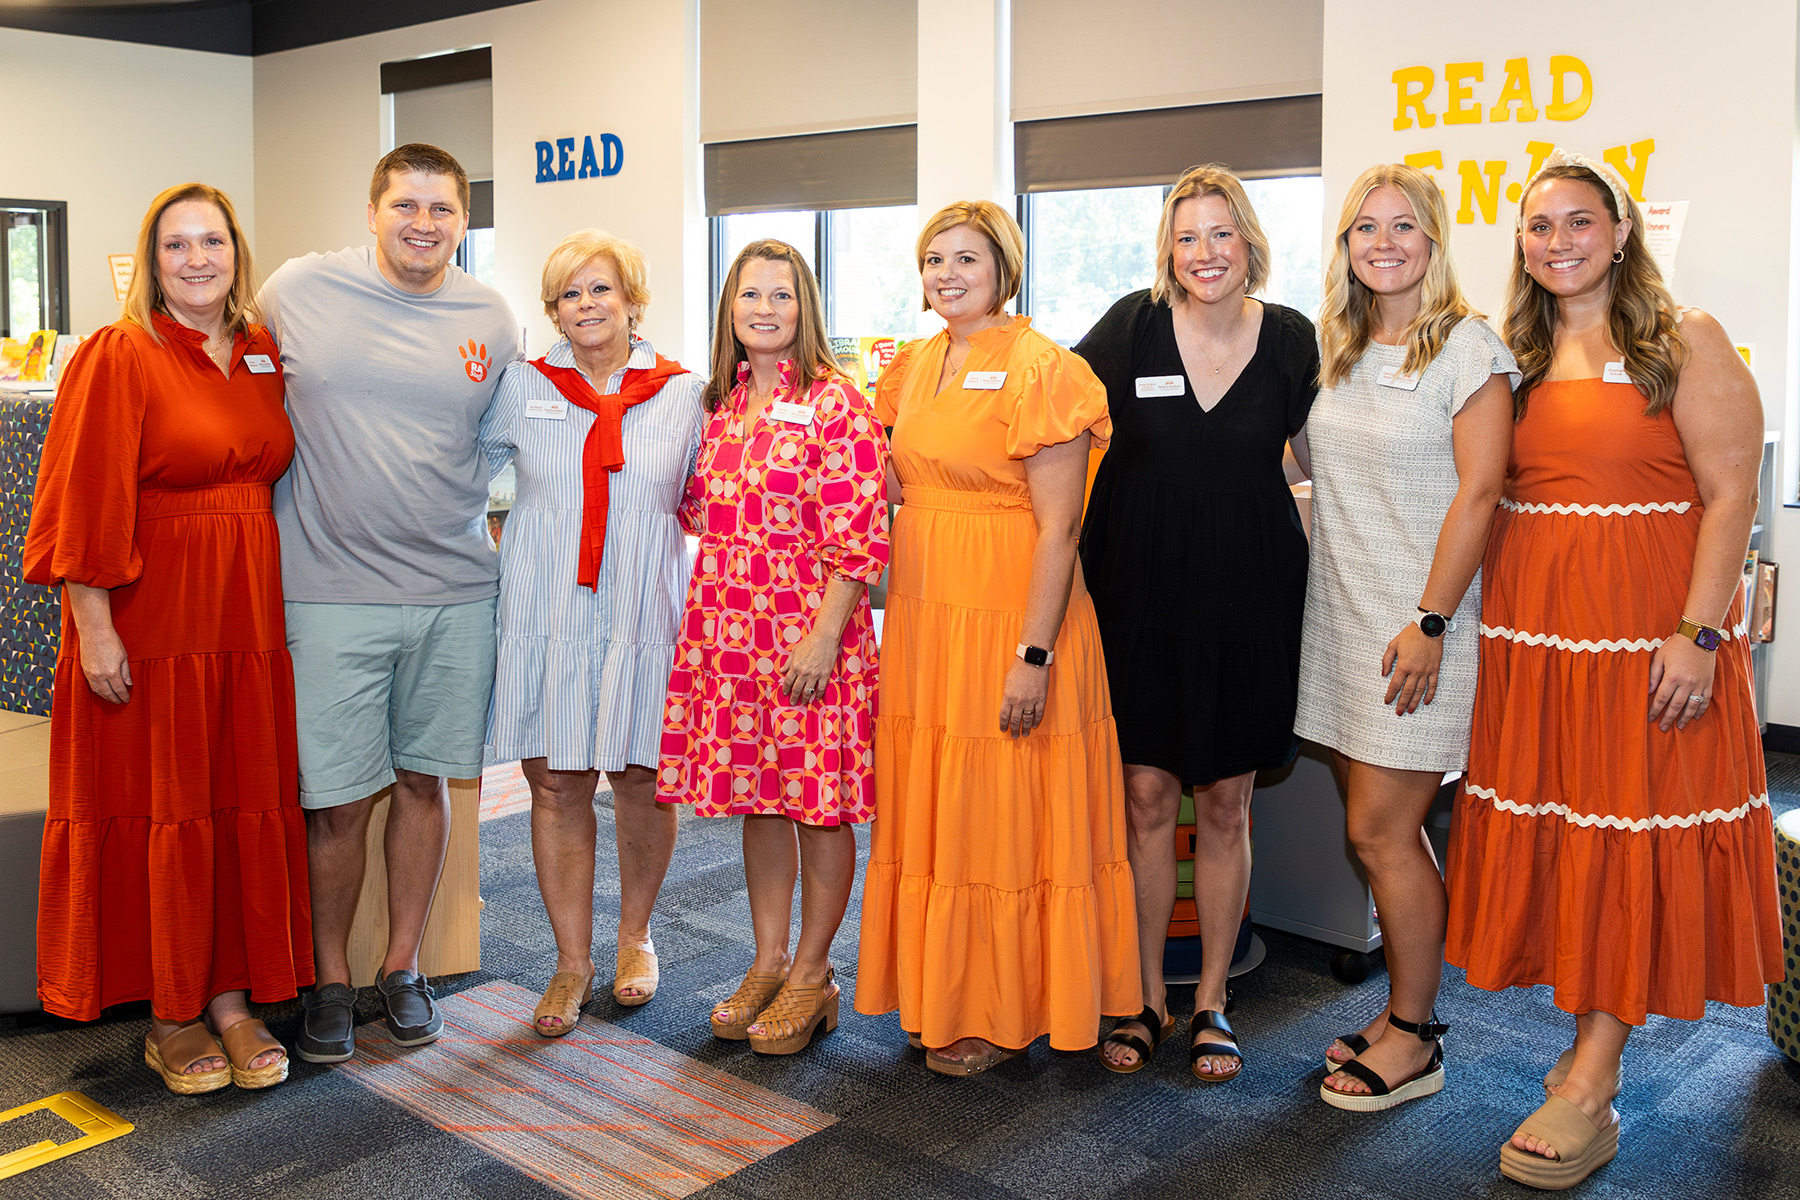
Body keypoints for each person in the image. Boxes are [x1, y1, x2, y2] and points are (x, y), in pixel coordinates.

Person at [1446, 149, 1782, 1188]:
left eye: (1579, 222)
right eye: (1539, 226)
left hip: (1649, 642)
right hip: (1540, 643)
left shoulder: (1686, 341)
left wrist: (1700, 632)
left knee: (1630, 832)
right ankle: (1582, 1041)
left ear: (1622, 230)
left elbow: (1732, 497)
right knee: (1574, 835)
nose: (1558, 243)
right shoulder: (1511, 352)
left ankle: (1595, 1072)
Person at [25, 183, 309, 1093]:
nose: (197, 260)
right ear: (151, 262)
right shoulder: (121, 353)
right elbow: (79, 500)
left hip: (247, 618)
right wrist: (95, 630)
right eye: (176, 245)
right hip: (151, 620)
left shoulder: (261, 352)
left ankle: (231, 998)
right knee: (168, 805)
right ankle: (172, 1013)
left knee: (234, 796)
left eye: (212, 242)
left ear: (237, 253)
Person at [855, 201, 1140, 1076]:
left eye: (966, 258)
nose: (947, 274)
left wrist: (1034, 655)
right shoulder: (913, 365)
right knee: (944, 802)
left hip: (1014, 618)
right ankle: (943, 989)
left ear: (1004, 268)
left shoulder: (1042, 369)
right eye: (934, 259)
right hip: (929, 620)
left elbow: (1059, 531)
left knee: (1003, 811)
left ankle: (997, 1008)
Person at [257, 143, 521, 1064]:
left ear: (463, 218)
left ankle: (401, 968)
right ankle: (330, 980)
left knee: (426, 781)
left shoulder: (490, 312)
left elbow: (496, 447)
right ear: (372, 209)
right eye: (406, 205)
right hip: (328, 592)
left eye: (442, 209)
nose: (422, 223)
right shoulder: (297, 289)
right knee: (334, 802)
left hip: (454, 593)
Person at [1078, 165, 1318, 1082]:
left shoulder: (1294, 339)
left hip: (1253, 598)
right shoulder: (1130, 326)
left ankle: (1212, 1000)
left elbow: (1325, 460)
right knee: (1143, 798)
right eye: (1188, 236)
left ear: (1249, 243)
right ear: (1166, 249)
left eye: (1222, 234)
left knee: (1225, 801)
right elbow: (1048, 414)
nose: (1205, 252)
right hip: (1139, 594)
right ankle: (1146, 998)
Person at [1294, 164, 1516, 1111]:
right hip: (1341, 619)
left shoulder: (1469, 347)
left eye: (1404, 227)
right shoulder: (1337, 346)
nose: (1383, 244)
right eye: (1364, 229)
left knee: (1381, 833)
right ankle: (1398, 1009)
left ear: (1434, 240)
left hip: (1420, 624)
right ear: (1345, 246)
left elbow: (1481, 492)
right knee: (1382, 834)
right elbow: (1307, 462)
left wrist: (1430, 621)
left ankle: (1419, 1035)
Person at [658, 240, 888, 1055]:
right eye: (749, 294)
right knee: (760, 800)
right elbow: (694, 514)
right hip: (729, 638)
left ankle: (815, 974)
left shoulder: (836, 404)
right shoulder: (720, 407)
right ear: (730, 308)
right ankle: (768, 959)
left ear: (805, 307)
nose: (764, 308)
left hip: (808, 639)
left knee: (819, 806)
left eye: (781, 296)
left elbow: (861, 536)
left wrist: (824, 637)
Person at [482, 230, 704, 1033]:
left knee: (640, 781)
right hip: (547, 615)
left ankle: (636, 935)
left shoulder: (687, 394)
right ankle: (570, 961)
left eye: (601, 289)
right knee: (558, 784)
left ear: (634, 301)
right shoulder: (520, 386)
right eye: (570, 294)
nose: (586, 306)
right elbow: (462, 474)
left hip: (644, 612)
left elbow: (722, 501)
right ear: (551, 310)